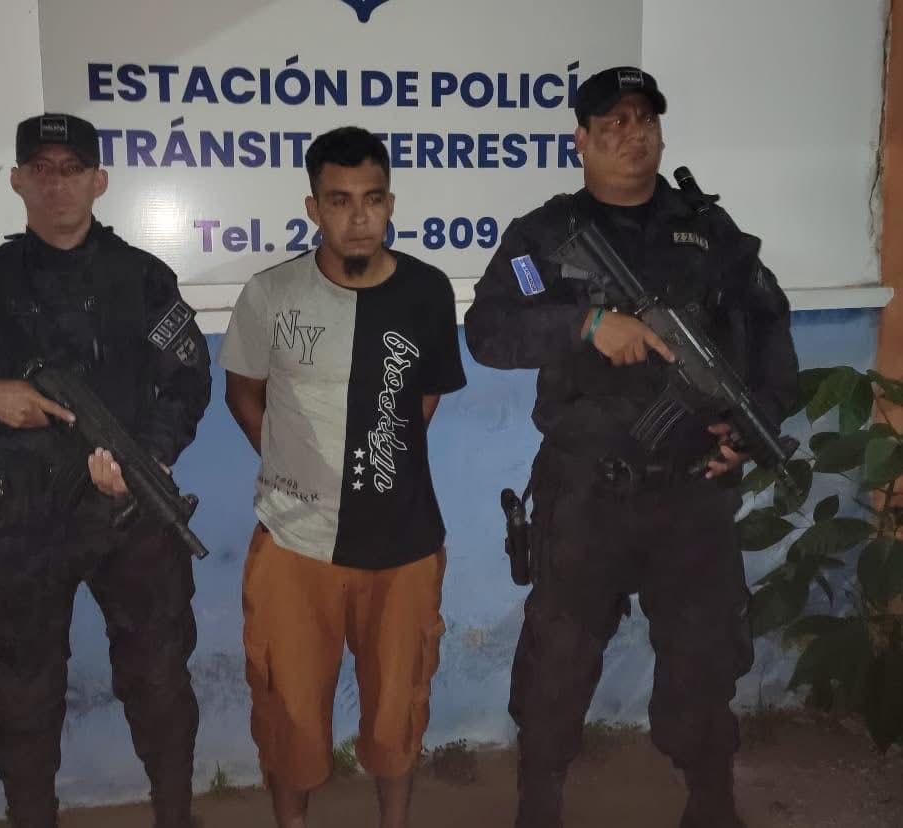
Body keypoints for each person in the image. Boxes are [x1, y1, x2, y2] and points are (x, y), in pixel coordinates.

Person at [464, 67, 798, 828]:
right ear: (580, 140)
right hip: (587, 493)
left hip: (693, 490)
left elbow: (769, 327)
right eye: (611, 122)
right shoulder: (542, 238)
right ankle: (539, 803)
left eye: (643, 118)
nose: (631, 134)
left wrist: (754, 428)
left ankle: (710, 799)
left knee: (705, 658)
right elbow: (489, 330)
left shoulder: (711, 234)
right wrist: (585, 326)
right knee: (557, 661)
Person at [0, 113, 211, 828]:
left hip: (125, 512)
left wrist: (151, 454)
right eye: (43, 169)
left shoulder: (143, 279)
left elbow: (188, 379)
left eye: (73, 169)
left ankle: (176, 816)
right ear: (18, 181)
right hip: (23, 519)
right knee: (22, 699)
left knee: (159, 683)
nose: (58, 184)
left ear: (99, 181)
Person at [218, 126, 466, 828]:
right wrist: (292, 464)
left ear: (390, 203)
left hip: (404, 544)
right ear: (313, 207)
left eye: (372, 198)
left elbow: (424, 398)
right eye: (339, 200)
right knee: (288, 712)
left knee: (399, 710)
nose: (358, 217)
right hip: (295, 544)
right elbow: (242, 393)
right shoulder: (270, 294)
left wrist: (382, 466)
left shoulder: (427, 290)